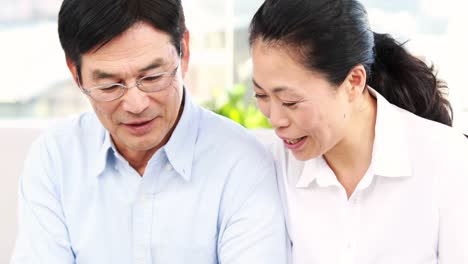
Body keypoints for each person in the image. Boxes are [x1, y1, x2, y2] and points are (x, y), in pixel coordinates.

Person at [10, 0, 288, 263]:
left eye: (153, 77)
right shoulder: (56, 158)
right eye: (110, 86)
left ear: (185, 51)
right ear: (75, 74)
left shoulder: (242, 163)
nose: (135, 104)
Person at [248, 0, 468, 263]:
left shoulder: (447, 160)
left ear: (353, 82)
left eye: (290, 102)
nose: (275, 119)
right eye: (261, 95)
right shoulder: (266, 165)